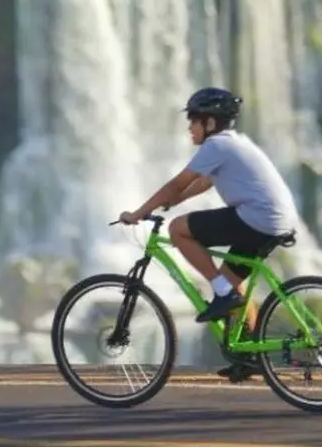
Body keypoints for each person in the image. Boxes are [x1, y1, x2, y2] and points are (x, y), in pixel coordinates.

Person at [118, 87, 300, 382]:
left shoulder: (216, 146)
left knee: (178, 229)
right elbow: (202, 184)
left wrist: (139, 213)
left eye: (194, 120)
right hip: (271, 220)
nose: (190, 127)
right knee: (233, 284)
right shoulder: (232, 144)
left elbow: (176, 183)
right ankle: (250, 354)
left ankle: (222, 294)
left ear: (210, 123)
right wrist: (172, 202)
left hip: (257, 219)